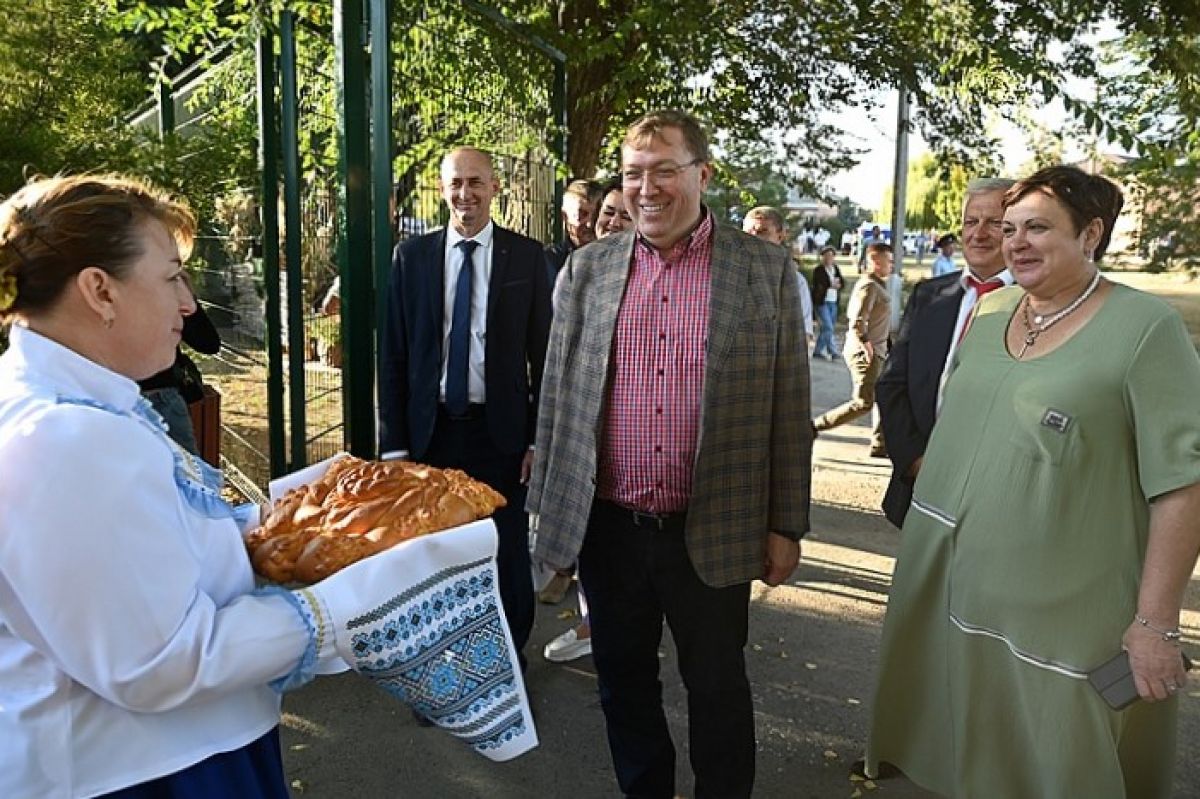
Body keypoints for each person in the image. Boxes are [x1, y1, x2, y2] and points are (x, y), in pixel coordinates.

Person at [0, 174, 344, 798]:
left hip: (177, 754)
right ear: (100, 291)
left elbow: (156, 546)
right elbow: (159, 662)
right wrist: (346, 610)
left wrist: (291, 518)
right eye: (172, 277)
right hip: (156, 774)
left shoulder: (93, 408)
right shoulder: (62, 437)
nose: (188, 303)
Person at [865, 165, 1200, 798]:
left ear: (1090, 234)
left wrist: (1156, 625)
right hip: (957, 597)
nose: (1013, 242)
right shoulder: (992, 310)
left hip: (1069, 623)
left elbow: (1183, 486)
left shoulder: (1145, 329)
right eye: (1009, 228)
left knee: (1061, 767)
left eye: (1037, 227)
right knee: (963, 758)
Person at [526, 109, 811, 798]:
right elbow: (560, 398)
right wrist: (551, 520)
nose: (645, 188)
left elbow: (788, 406)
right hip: (611, 528)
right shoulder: (586, 271)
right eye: (632, 175)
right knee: (623, 683)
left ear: (702, 175)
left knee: (717, 685)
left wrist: (786, 524)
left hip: (713, 526)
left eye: (663, 171)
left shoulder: (763, 271)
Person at [378, 146, 552, 667]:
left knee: (506, 556)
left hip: (500, 437)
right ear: (441, 190)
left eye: (476, 182)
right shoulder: (412, 257)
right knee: (430, 556)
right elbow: (393, 353)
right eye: (456, 183)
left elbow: (543, 357)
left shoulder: (526, 257)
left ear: (495, 188)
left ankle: (506, 665)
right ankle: (437, 666)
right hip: (430, 436)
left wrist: (536, 440)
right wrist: (394, 448)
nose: (465, 194)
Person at [875, 178, 1014, 527]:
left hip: (1000, 502)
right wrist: (916, 462)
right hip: (921, 490)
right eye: (970, 222)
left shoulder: (1039, 303)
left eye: (994, 223)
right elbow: (893, 384)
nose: (978, 234)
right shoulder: (930, 296)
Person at [541, 177, 633, 664]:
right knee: (590, 537)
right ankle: (593, 622)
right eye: (608, 213)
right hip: (583, 431)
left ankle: (605, 626)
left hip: (629, 441)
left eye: (624, 214)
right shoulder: (578, 273)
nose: (612, 221)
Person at [813, 242, 892, 457]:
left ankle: (879, 444)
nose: (892, 265)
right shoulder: (869, 286)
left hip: (879, 350)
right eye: (889, 261)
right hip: (867, 351)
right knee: (863, 402)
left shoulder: (878, 285)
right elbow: (857, 320)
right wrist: (867, 346)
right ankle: (813, 426)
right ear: (876, 261)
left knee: (883, 397)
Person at [138, 288, 220, 456]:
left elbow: (208, 342)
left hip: (160, 399)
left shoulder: (164, 285)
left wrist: (186, 300)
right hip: (153, 398)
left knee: (186, 477)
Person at [742, 205, 814, 341]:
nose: (753, 238)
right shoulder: (729, 276)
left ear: (780, 235)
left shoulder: (795, 282)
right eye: (747, 232)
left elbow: (803, 334)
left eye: (762, 232)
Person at [544, 179, 603, 278]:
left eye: (597, 215)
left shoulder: (614, 256)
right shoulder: (549, 261)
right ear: (565, 216)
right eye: (581, 215)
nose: (590, 224)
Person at [810, 244, 844, 360]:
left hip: (833, 301)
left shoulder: (835, 269)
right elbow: (819, 284)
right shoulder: (819, 270)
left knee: (827, 328)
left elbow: (841, 282)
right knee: (828, 326)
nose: (829, 258)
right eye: (826, 256)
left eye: (831, 256)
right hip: (822, 302)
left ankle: (818, 351)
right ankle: (833, 351)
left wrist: (838, 285)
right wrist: (830, 284)